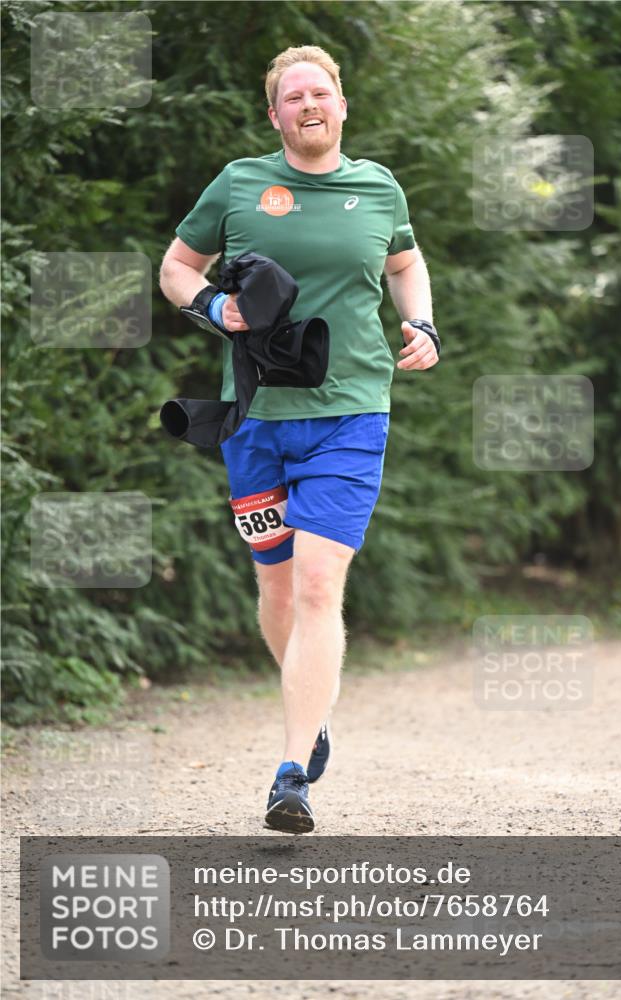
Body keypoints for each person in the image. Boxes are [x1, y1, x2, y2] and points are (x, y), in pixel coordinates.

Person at [159, 45, 438, 834]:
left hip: (351, 413)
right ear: (275, 114)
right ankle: (311, 715)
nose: (308, 104)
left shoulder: (377, 186)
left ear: (341, 105)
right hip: (254, 421)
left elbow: (406, 265)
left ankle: (291, 773)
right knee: (277, 587)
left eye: (320, 92)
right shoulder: (239, 184)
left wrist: (420, 323)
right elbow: (177, 268)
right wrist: (214, 309)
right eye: (292, 96)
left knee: (318, 584)